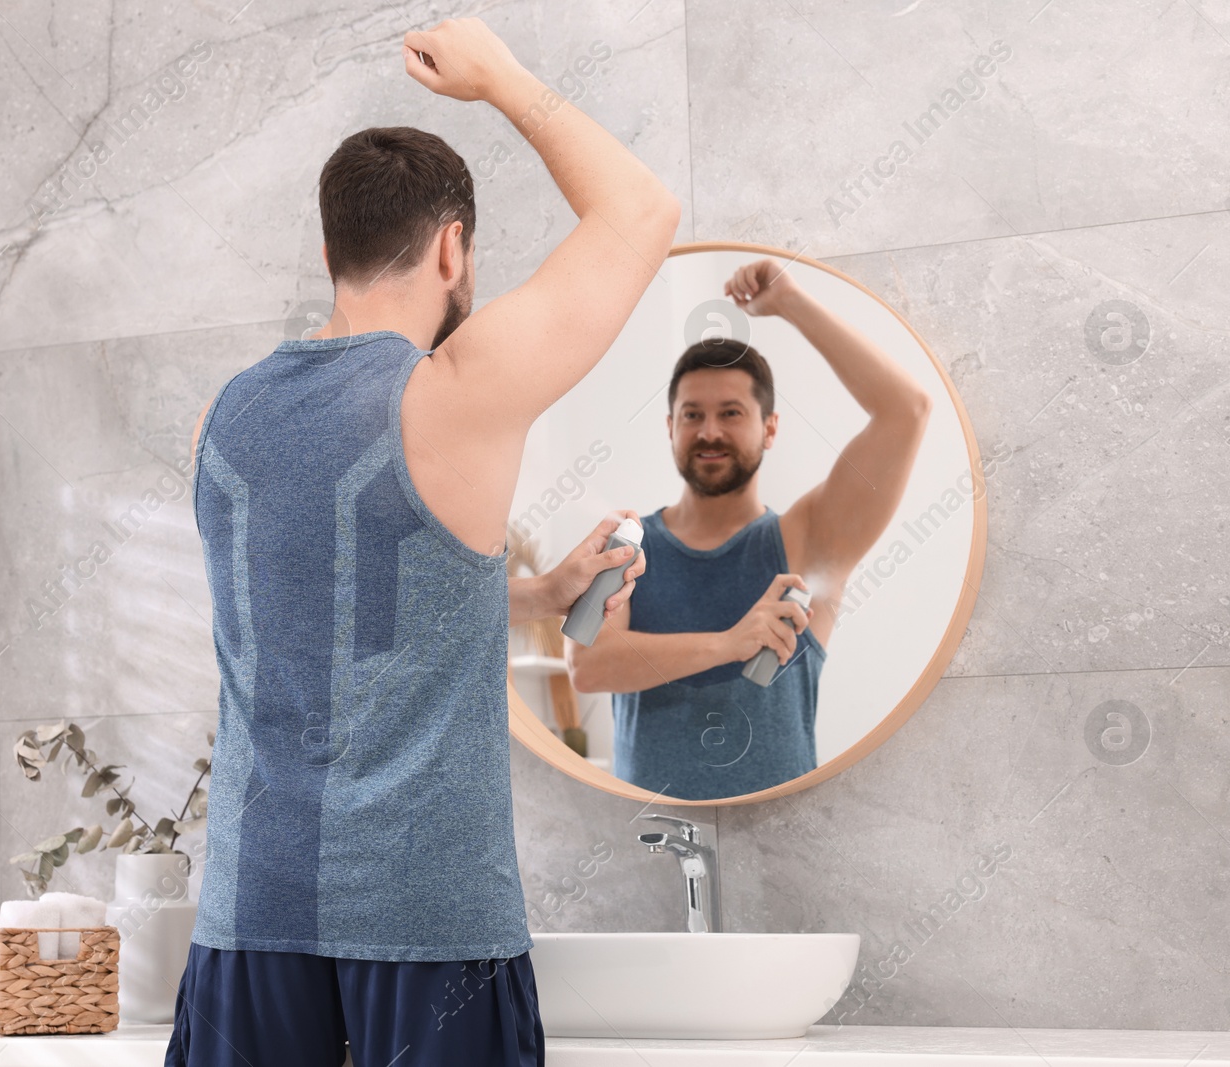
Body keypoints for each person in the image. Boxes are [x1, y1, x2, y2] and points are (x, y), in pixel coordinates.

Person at [163, 17, 679, 1067]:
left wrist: (535, 597)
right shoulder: (453, 387)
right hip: (425, 916)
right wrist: (501, 79)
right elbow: (641, 211)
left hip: (248, 911)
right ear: (452, 247)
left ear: (327, 250)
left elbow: (344, 605)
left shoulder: (227, 417)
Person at [565, 259, 932, 801]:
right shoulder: (627, 542)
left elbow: (908, 410)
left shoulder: (812, 538)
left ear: (771, 428)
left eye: (732, 413)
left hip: (784, 851)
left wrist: (790, 303)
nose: (709, 431)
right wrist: (728, 644)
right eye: (691, 415)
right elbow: (589, 667)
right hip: (651, 851)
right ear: (670, 428)